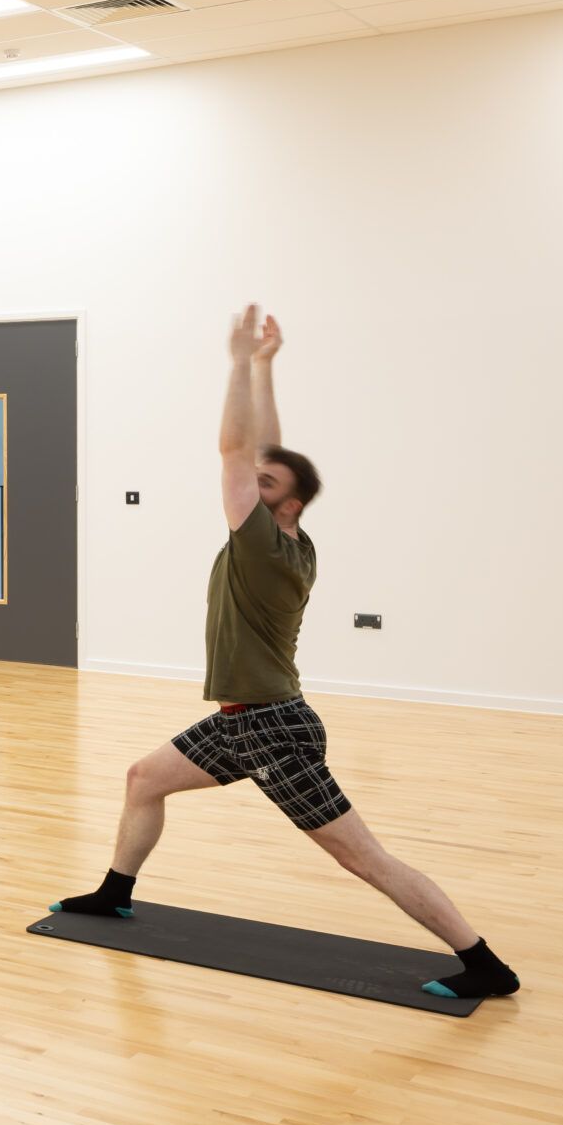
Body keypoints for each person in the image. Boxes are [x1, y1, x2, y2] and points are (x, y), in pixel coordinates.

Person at [51, 306, 519, 1001]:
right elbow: (260, 452)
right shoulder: (287, 539)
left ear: (289, 504)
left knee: (363, 857)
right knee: (144, 778)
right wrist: (266, 367)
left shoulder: (263, 548)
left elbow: (235, 452)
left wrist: (238, 362)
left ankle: (482, 961)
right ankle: (115, 891)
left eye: (264, 485)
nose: (250, 483)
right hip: (239, 722)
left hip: (272, 729)